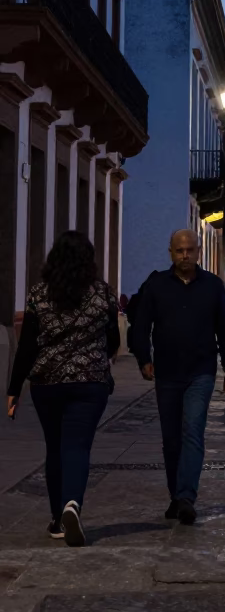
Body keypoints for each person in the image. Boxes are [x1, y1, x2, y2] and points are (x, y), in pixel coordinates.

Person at [6, 231, 120, 547]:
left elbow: (26, 346)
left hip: (47, 383)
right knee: (78, 446)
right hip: (90, 382)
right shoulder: (103, 294)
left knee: (54, 447)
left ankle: (57, 519)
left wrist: (13, 390)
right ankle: (74, 503)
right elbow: (114, 340)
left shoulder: (39, 295)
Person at [132, 229, 225, 524]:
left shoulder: (213, 286)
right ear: (170, 252)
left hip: (201, 370)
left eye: (190, 250)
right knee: (171, 439)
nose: (185, 256)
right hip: (167, 371)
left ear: (199, 251)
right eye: (179, 251)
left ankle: (187, 497)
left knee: (192, 430)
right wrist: (144, 358)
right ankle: (175, 496)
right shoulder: (157, 286)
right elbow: (140, 326)